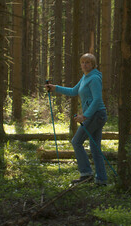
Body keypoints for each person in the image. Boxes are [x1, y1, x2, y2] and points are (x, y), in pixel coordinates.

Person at [45, 53, 108, 186]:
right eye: (83, 62)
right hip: (95, 115)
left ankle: (86, 173)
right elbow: (74, 91)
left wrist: (84, 116)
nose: (84, 65)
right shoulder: (85, 77)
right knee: (95, 147)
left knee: (76, 141)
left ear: (93, 64)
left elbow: (97, 100)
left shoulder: (94, 78)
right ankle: (101, 179)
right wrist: (55, 88)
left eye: (88, 62)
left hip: (96, 115)